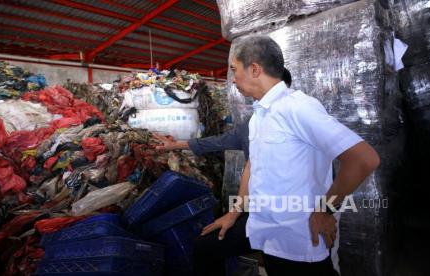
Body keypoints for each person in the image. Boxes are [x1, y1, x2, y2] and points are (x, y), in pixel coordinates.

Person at [197, 35, 380, 276]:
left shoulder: (297, 107)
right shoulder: (259, 116)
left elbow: (363, 159)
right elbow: (253, 165)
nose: (232, 79)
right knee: (204, 248)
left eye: (234, 70)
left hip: (297, 238)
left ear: (254, 69)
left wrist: (325, 210)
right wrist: (234, 212)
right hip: (262, 228)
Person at [154, 68, 292, 161]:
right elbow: (216, 142)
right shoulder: (251, 124)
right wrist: (176, 144)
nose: (233, 80)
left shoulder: (299, 111)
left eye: (237, 71)